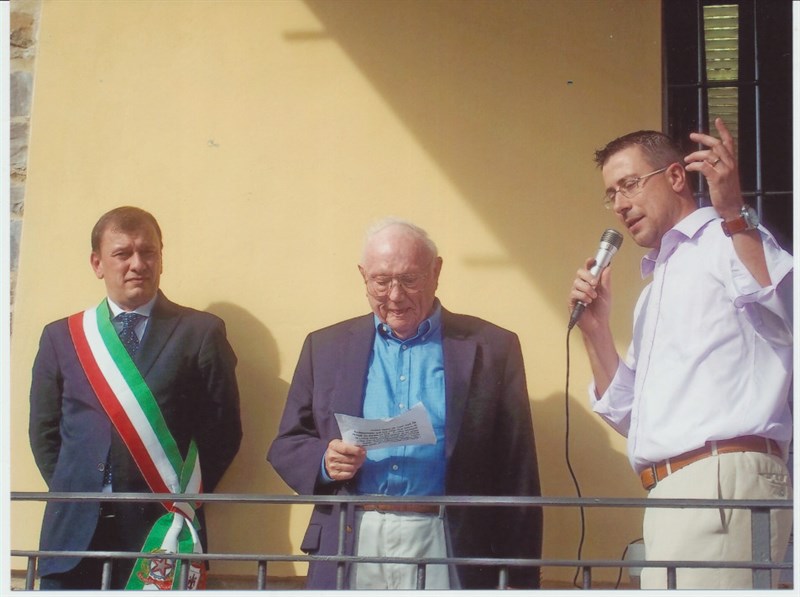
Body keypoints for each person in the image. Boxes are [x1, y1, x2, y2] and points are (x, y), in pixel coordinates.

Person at [568, 118, 793, 589]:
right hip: (670, 490)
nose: (621, 205)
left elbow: (782, 300)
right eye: (611, 194)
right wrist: (596, 333)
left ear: (674, 177)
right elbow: (633, 416)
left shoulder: (725, 241)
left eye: (629, 184)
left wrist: (732, 212)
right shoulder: (655, 291)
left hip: (721, 481)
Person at [268, 218, 542, 590]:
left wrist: (520, 577)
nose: (394, 295)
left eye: (409, 280)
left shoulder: (493, 347)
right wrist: (324, 461)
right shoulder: (325, 347)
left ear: (436, 272)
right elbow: (287, 443)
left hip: (449, 540)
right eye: (381, 281)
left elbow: (518, 471)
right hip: (352, 535)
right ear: (363, 276)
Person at [29, 206, 242, 590]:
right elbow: (45, 435)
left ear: (162, 258)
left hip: (161, 533)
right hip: (74, 534)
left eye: (149, 252)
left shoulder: (199, 332)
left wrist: (183, 500)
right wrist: (81, 493)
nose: (137, 264)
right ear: (97, 263)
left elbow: (222, 431)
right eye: (122, 254)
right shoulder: (61, 337)